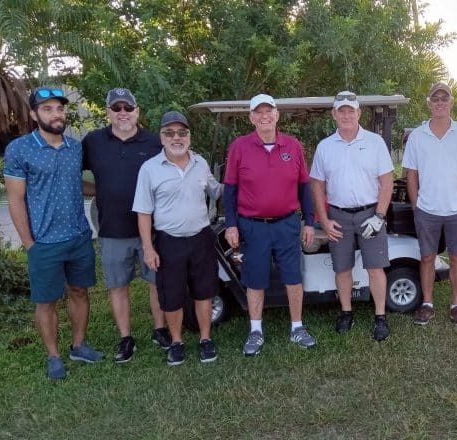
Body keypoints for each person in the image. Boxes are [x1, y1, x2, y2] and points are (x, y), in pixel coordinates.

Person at [3, 87, 104, 379]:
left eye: (59, 109)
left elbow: (75, 184)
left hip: (78, 236)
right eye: (47, 109)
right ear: (34, 114)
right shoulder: (20, 149)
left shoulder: (75, 148)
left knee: (80, 291)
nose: (56, 114)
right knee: (46, 301)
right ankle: (54, 356)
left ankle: (78, 345)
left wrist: (104, 191)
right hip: (43, 242)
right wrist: (28, 243)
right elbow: (15, 199)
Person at [223, 93, 317, 355]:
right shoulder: (239, 147)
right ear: (252, 117)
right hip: (253, 226)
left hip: (287, 225)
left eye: (269, 111)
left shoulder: (293, 146)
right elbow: (229, 190)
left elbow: (304, 187)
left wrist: (309, 222)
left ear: (277, 115)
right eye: (259, 112)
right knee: (255, 279)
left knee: (293, 277)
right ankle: (255, 331)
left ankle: (297, 327)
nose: (264, 116)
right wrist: (231, 224)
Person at [82, 88, 170, 363]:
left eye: (127, 108)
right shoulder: (93, 141)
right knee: (118, 285)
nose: (123, 113)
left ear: (137, 111)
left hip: (153, 229)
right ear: (108, 112)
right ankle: (125, 337)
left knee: (157, 283)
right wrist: (97, 190)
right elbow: (71, 173)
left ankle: (160, 330)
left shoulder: (156, 142)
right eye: (116, 108)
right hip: (112, 229)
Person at [133, 111, 221, 366]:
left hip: (201, 238)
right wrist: (148, 248)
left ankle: (205, 339)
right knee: (171, 295)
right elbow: (143, 212)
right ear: (161, 137)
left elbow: (216, 191)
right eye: (169, 133)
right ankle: (176, 342)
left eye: (182, 132)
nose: (176, 138)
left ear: (189, 136)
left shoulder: (201, 163)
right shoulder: (149, 169)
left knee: (204, 292)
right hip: (168, 241)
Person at [311, 91, 395, 341]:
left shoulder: (375, 142)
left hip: (371, 214)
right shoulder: (325, 147)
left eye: (351, 110)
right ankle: (346, 312)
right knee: (342, 268)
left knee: (375, 267)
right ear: (334, 114)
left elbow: (387, 181)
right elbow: (316, 185)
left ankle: (380, 316)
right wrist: (324, 220)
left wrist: (379, 215)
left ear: (359, 113)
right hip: (338, 217)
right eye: (341, 110)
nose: (346, 115)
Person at [402, 81, 457, 327]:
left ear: (452, 103)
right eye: (435, 99)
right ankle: (427, 303)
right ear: (429, 103)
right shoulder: (417, 135)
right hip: (427, 210)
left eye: (444, 99)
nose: (440, 103)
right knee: (427, 257)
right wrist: (416, 205)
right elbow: (410, 174)